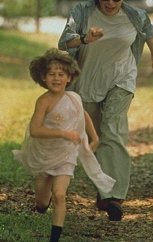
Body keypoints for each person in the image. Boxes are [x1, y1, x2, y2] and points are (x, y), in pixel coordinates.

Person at [58, 0, 153, 221]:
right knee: (94, 137)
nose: (110, 2)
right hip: (88, 82)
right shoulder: (83, 12)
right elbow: (64, 41)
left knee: (113, 129)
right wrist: (85, 38)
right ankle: (103, 187)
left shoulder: (134, 15)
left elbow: (148, 31)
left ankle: (114, 196)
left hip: (121, 79)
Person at [13, 48, 115, 242]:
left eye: (61, 74)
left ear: (69, 77)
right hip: (44, 154)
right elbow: (35, 130)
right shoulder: (43, 102)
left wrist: (94, 138)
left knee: (60, 194)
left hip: (66, 153)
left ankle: (54, 238)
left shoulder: (73, 98)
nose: (57, 78)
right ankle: (44, 201)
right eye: (52, 74)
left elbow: (82, 115)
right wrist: (62, 133)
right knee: (42, 204)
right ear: (43, 77)